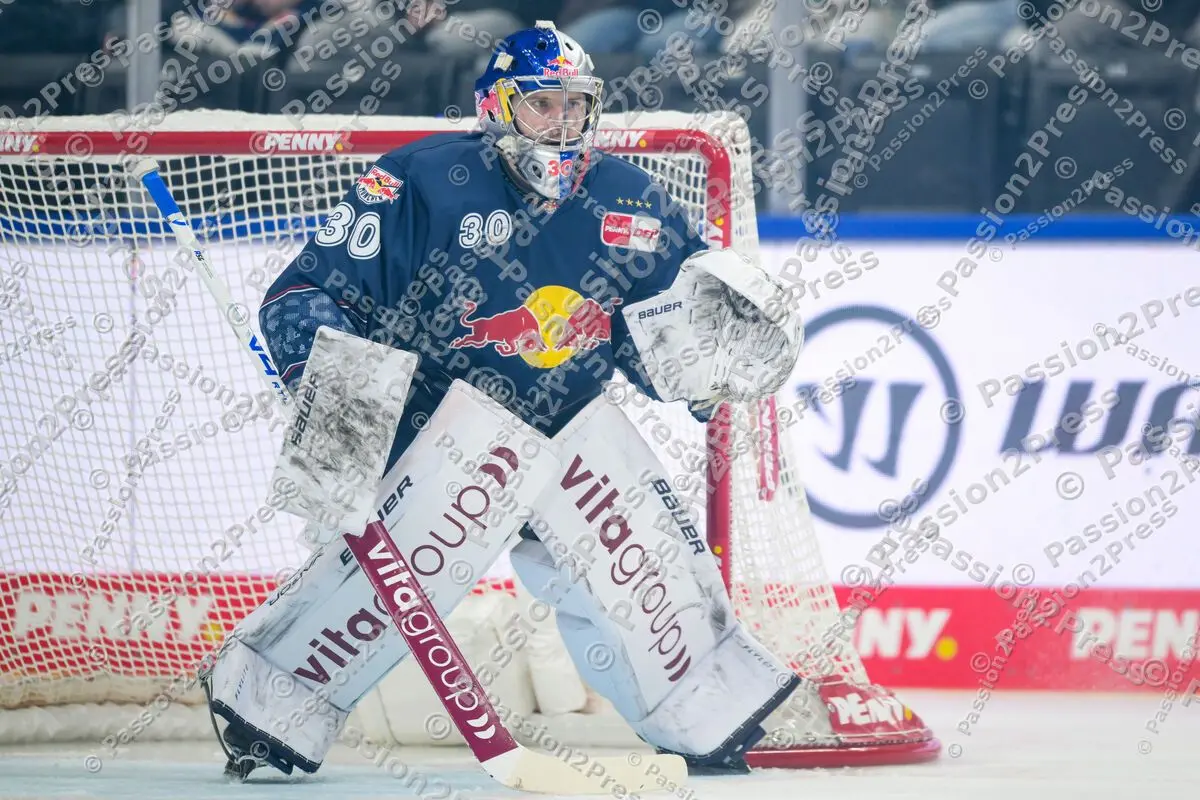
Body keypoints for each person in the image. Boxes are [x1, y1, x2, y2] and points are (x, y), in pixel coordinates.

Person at [203, 20, 805, 782]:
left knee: (642, 580)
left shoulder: (631, 200)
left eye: (575, 105)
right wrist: (337, 402)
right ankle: (265, 704)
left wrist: (711, 369)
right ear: (495, 107)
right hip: (433, 439)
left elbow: (664, 346)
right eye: (541, 104)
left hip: (569, 437)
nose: (561, 123)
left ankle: (702, 710)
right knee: (376, 597)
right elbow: (303, 291)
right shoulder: (419, 181)